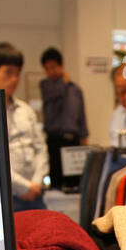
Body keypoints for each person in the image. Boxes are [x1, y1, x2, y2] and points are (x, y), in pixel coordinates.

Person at [0, 41, 48, 213]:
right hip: (6, 197)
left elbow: (40, 147)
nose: (14, 79)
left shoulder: (25, 110)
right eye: (8, 72)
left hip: (36, 194)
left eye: (18, 73)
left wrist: (36, 182)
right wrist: (22, 186)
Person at [39, 47, 88, 189]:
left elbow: (82, 116)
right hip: (54, 140)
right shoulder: (45, 85)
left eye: (53, 67)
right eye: (47, 68)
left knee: (74, 182)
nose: (50, 71)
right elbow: (54, 94)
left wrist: (84, 137)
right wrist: (64, 82)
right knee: (55, 181)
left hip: (72, 140)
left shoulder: (76, 90)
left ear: (61, 66)